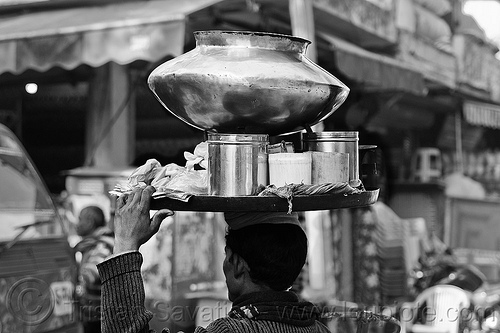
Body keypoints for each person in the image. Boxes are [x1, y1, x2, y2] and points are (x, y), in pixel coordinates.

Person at [97, 185, 331, 333]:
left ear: (238, 264)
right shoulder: (319, 329)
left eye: (226, 257)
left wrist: (125, 245)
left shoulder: (231, 330)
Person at [74, 205, 114, 333]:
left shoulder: (103, 244)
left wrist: (76, 286)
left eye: (80, 219)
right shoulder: (92, 243)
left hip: (100, 315)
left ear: (90, 223)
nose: (77, 224)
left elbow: (91, 273)